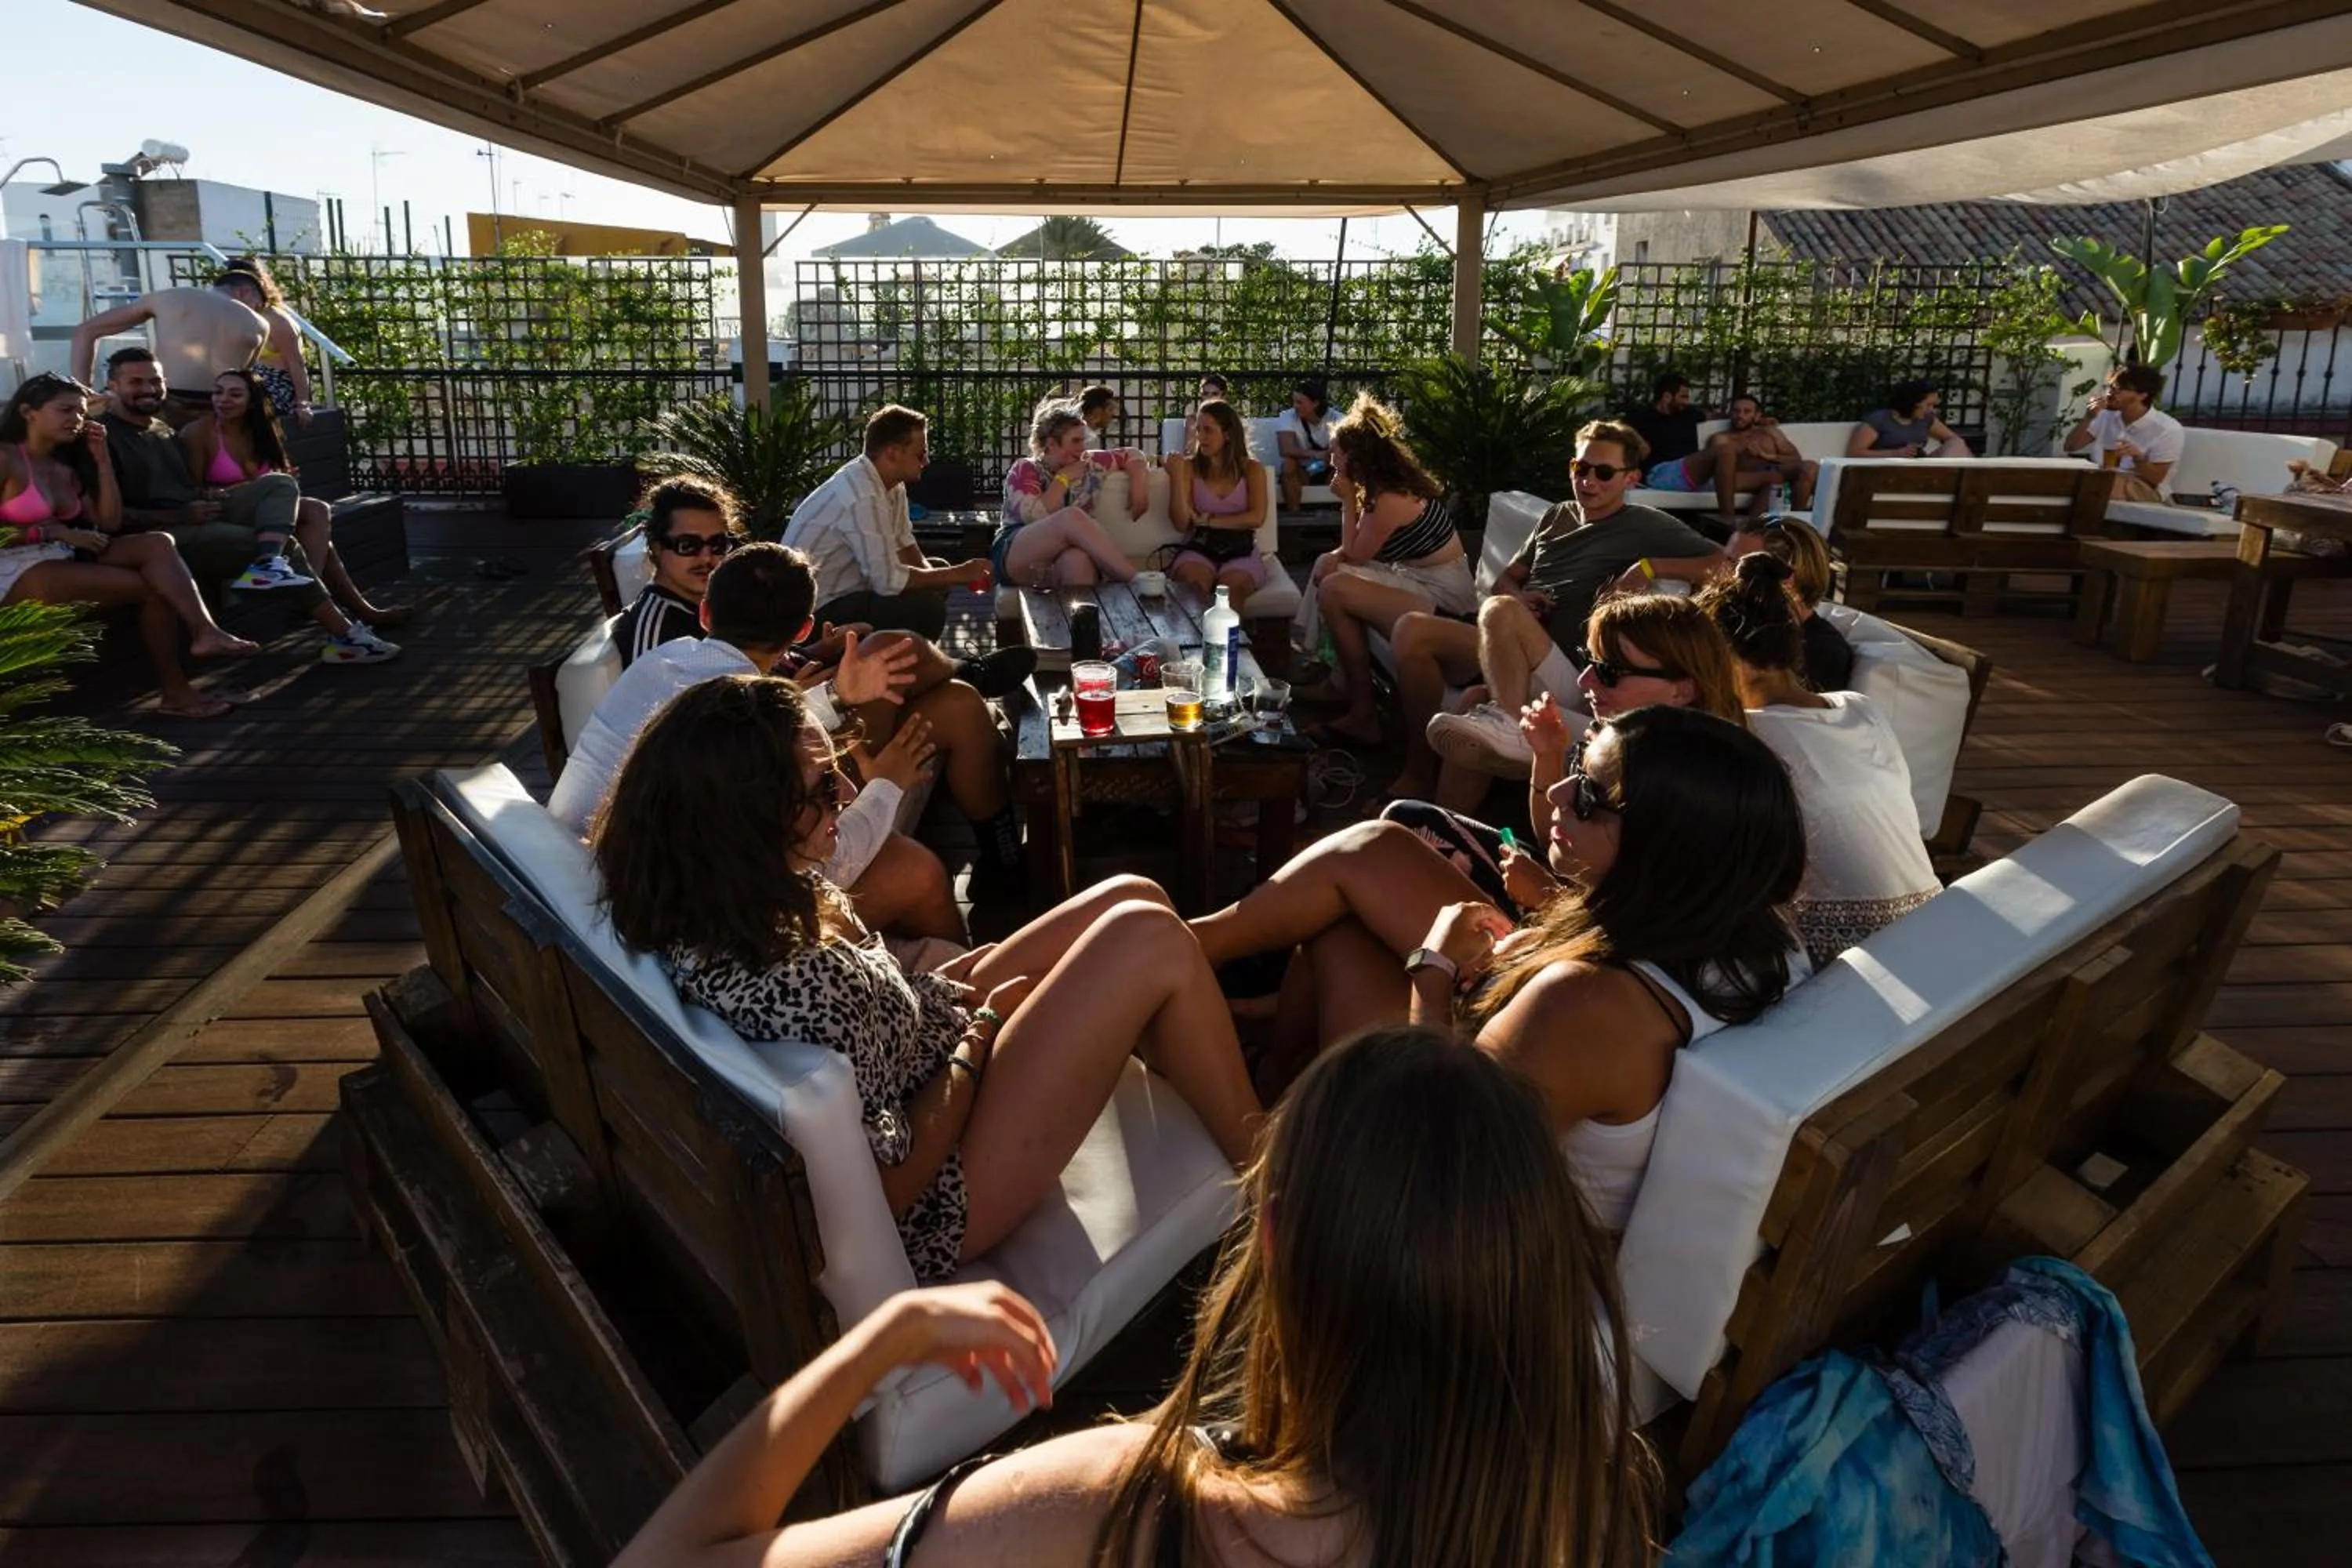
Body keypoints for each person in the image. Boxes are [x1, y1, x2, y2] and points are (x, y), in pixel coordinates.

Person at [611, 1025, 1656, 1568]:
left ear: (1277, 1239)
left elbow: (662, 1560)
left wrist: (875, 1343)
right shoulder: (1591, 1520)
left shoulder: (1128, 1510)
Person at [596, 676, 1265, 1282]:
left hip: (919, 1035)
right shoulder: (802, 979)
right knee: (1149, 942)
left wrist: (954, 1008)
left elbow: (871, 1024)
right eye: (825, 788)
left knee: (1131, 896)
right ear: (746, 821)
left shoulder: (706, 907)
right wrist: (977, 1042)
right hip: (945, 1195)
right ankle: (1273, 1201)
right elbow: (895, 1181)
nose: (848, 796)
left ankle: (1196, 1069)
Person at [1192, 704, 1808, 1227]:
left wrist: (1432, 975)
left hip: (1419, 1208)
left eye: (1590, 797)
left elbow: (1434, 1169)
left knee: (1313, 937)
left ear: (1663, 849)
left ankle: (1258, 1162)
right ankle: (1257, 1058)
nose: (1561, 795)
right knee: (1373, 855)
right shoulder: (1756, 934)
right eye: (1575, 770)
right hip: (1529, 1109)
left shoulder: (1584, 1002)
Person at [551, 541, 985, 943]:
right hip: (678, 928)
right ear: (802, 629)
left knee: (951, 702)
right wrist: (887, 785)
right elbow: (823, 860)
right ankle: (960, 993)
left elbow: (736, 720)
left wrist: (830, 690)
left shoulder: (667, 659)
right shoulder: (742, 727)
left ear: (705, 614)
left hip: (595, 888)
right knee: (920, 872)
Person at [1402, 420, 1722, 790]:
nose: (1589, 481)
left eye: (1603, 473)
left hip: (1574, 668)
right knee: (1416, 630)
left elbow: (1724, 562)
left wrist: (1649, 566)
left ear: (1631, 479)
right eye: (1580, 468)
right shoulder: (1557, 516)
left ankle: (1508, 721)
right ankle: (1436, 812)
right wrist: (1519, 596)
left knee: (1498, 615)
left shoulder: (1644, 524)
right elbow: (1505, 579)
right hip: (1515, 646)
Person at [1386, 591, 1745, 906]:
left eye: (1608, 673)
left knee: (1396, 842)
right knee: (1408, 824)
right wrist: (1548, 755)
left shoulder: (1684, 786)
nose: (1583, 681)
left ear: (1681, 691)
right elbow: (1557, 847)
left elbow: (1648, 930)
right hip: (1563, 897)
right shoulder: (1617, 737)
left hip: (1580, 930)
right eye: (1587, 661)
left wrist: (1547, 898)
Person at [1698, 554, 1940, 967]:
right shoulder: (1861, 707)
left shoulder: (1747, 738)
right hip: (1932, 917)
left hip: (1855, 955)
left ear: (1728, 661)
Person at [100, 349, 405, 663]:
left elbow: (184, 490)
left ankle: (277, 570)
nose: (149, 389)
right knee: (288, 544)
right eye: (136, 382)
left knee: (284, 487)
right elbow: (108, 518)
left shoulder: (161, 429)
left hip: (198, 514)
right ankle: (343, 633)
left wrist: (204, 501)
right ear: (111, 386)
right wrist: (184, 511)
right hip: (162, 532)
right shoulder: (103, 437)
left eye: (155, 381)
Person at [0, 372, 259, 718]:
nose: (76, 420)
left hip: (61, 556)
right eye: (65, 410)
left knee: (157, 544)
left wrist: (101, 460)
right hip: (14, 566)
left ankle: (205, 633)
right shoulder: (5, 458)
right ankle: (177, 690)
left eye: (80, 412)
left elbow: (108, 522)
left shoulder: (65, 464)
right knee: (153, 589)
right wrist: (54, 533)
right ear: (28, 412)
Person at [1293, 393, 1475, 750]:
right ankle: (1330, 670)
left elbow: (1357, 555)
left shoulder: (1391, 498)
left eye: (1337, 453)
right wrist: (1336, 551)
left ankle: (1349, 696)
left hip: (1444, 596)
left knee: (1334, 579)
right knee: (1326, 565)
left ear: (1358, 458)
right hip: (1413, 577)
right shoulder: (1380, 488)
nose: (1331, 459)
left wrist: (1345, 501)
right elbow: (1355, 549)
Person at [783, 405, 989, 642]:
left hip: (848, 591)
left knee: (936, 572)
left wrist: (943, 576)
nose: (927, 461)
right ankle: (906, 671)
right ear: (892, 453)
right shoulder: (863, 495)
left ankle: (912, 662)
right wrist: (957, 573)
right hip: (811, 617)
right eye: (920, 454)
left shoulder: (890, 483)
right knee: (927, 607)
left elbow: (903, 542)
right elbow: (887, 581)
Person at [69, 268, 273, 425]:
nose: (258, 310)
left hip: (162, 403)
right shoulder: (260, 325)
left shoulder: (173, 297)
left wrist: (84, 394)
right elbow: (240, 380)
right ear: (245, 291)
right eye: (259, 304)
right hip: (220, 409)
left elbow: (85, 331)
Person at [176, 368, 311, 592]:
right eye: (218, 393)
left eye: (235, 394)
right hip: (223, 507)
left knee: (317, 511)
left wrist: (285, 475)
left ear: (252, 402)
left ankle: (295, 589)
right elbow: (192, 488)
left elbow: (277, 473)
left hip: (261, 507)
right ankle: (269, 566)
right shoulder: (198, 432)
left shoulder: (262, 430)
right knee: (282, 487)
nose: (224, 400)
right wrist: (239, 488)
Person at [994, 401, 1147, 590]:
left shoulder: (1090, 464)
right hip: (1019, 554)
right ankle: (1136, 581)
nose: (1082, 448)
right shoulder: (1025, 469)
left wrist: (1139, 486)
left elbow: (1133, 455)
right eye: (1075, 441)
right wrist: (1063, 479)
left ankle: (1076, 618)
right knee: (1070, 516)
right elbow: (1033, 517)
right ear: (1051, 444)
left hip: (1064, 556)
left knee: (1078, 560)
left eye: (1083, 441)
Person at [1162, 398, 1271, 611]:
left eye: (1208, 431)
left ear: (1228, 434)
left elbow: (1256, 518)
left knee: (1230, 595)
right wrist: (1176, 477)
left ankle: (1228, 643)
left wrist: (1210, 520)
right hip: (1200, 544)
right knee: (1193, 588)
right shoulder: (1188, 468)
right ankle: (1194, 642)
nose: (1200, 437)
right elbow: (1182, 524)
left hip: (1241, 547)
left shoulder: (1252, 469)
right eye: (1198, 430)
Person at [1727, 513, 1853, 691]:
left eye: (1739, 567)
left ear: (1785, 580)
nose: (1722, 576)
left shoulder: (1821, 651)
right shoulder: (1736, 626)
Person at [216, 257, 317, 425]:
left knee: (241, 404)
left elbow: (296, 364)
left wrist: (303, 404)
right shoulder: (239, 317)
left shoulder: (277, 321)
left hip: (277, 385)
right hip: (249, 382)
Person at [2063, 365, 2183, 504]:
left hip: (2145, 488)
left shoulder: (2167, 429)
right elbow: (2071, 447)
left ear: (2142, 395)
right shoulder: (2105, 416)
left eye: (2119, 389)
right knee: (2073, 479)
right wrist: (2088, 418)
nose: (2110, 393)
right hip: (2103, 478)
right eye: (2109, 387)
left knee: (2099, 485)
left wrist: (2138, 458)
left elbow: (2156, 478)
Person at [1706, 394, 1817, 528]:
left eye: (1747, 412)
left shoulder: (1770, 433)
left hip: (1775, 470)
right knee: (1773, 480)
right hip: (1742, 478)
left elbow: (1795, 459)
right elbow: (1719, 471)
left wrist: (1768, 456)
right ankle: (1752, 527)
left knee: (1810, 467)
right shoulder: (1722, 438)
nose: (1740, 415)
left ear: (1757, 416)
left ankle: (1796, 522)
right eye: (1736, 411)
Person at [1849, 379, 1972, 459]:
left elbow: (1953, 439)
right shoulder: (1880, 420)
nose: (1931, 410)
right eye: (1928, 405)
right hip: (1888, 469)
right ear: (1913, 402)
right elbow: (1854, 453)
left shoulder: (1927, 419)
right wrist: (1895, 454)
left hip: (1920, 466)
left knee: (1957, 443)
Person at [1270, 376, 1334, 510]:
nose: (1295, 406)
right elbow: (1286, 449)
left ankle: (1333, 517)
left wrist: (1325, 457)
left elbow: (1338, 451)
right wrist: (1317, 455)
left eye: (1300, 403)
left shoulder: (1336, 418)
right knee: (1288, 464)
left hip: (1329, 469)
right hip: (1303, 471)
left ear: (1315, 403)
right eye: (1294, 402)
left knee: (1346, 468)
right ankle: (1295, 516)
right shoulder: (1288, 417)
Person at [1076, 383, 1121, 447]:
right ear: (1097, 411)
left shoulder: (1075, 434)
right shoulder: (1088, 440)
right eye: (1110, 409)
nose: (1114, 414)